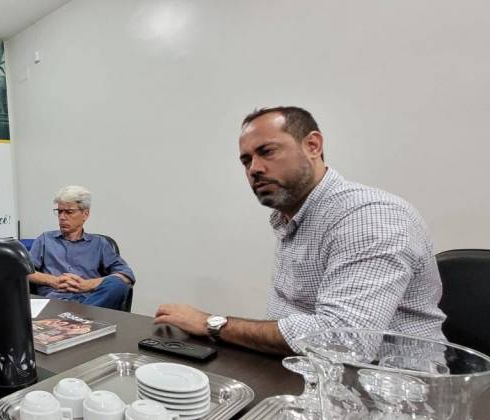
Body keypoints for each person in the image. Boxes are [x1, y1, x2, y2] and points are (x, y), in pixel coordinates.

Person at [154, 107, 445, 355]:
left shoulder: (370, 218)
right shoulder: (290, 217)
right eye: (246, 160)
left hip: (395, 389)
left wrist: (212, 324)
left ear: (313, 146)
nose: (254, 169)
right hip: (309, 371)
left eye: (267, 152)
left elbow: (345, 341)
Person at [28, 185, 135, 310]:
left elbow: (126, 275)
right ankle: (77, 318)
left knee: (118, 284)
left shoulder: (100, 244)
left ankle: (77, 316)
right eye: (59, 211)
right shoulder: (45, 240)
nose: (62, 217)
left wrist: (87, 285)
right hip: (55, 301)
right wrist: (52, 280)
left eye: (69, 212)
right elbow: (24, 271)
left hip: (90, 302)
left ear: (85, 214)